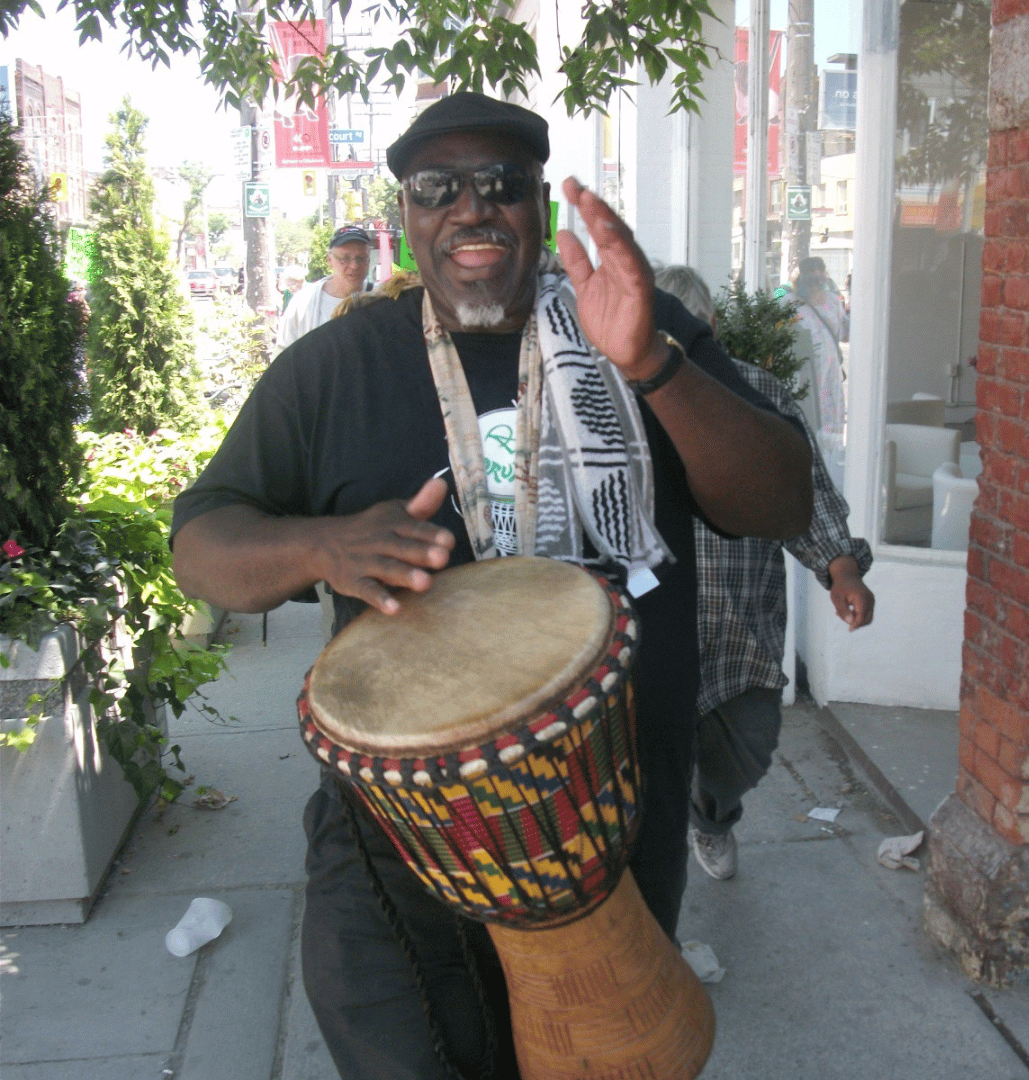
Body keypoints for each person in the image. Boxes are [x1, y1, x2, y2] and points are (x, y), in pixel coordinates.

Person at [170, 93, 813, 1080]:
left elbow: (782, 498)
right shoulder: (335, 369)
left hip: (605, 818)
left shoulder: (635, 326)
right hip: (399, 837)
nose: (472, 207)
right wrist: (322, 546)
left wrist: (653, 365)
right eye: (438, 187)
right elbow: (202, 543)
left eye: (502, 184)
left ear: (539, 207)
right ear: (406, 215)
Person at [654, 264, 874, 881]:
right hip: (653, 631)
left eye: (689, 333)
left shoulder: (757, 393)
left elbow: (806, 493)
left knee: (738, 754)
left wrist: (841, 569)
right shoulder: (615, 399)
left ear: (710, 329)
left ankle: (713, 819)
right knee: (648, 766)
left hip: (741, 632)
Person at [274, 223, 375, 353]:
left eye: (361, 258)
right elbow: (283, 354)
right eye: (345, 258)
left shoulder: (382, 299)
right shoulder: (303, 303)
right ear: (329, 260)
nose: (354, 265)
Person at [784, 255, 850, 442]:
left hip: (831, 373)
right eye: (811, 277)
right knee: (809, 416)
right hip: (805, 371)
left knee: (831, 423)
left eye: (819, 277)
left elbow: (844, 333)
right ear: (801, 279)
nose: (815, 283)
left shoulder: (833, 301)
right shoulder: (790, 303)